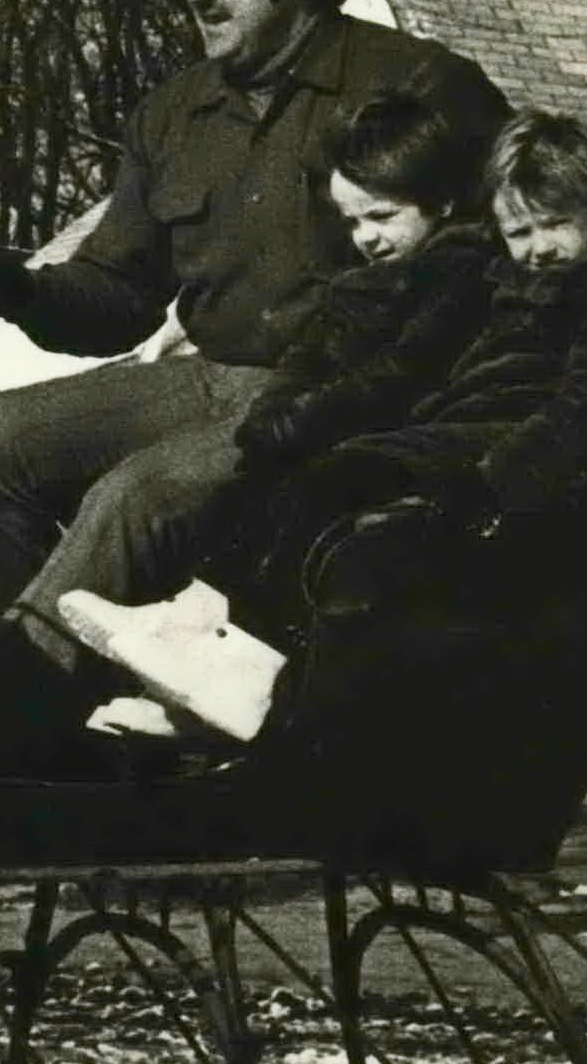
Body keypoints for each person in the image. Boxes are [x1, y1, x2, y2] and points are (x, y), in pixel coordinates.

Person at [0, 0, 511, 771]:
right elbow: (114, 300)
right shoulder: (173, 113)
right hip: (209, 376)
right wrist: (19, 289)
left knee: (145, 492)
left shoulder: (415, 81)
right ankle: (41, 717)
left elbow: (531, 216)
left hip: (344, 396)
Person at [60, 110, 587, 739]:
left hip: (502, 450)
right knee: (288, 480)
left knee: (342, 477)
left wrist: (491, 486)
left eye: (554, 225)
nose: (536, 249)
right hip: (460, 428)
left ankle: (250, 673)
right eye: (519, 232)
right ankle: (194, 650)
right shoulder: (523, 264)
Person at [57, 92, 499, 739]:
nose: (367, 237)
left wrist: (303, 419)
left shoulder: (457, 270)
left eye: (382, 216)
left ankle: (232, 668)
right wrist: (275, 411)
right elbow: (309, 356)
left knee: (295, 494)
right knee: (248, 482)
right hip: (350, 433)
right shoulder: (371, 278)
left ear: (443, 203)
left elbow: (403, 371)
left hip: (409, 444)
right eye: (353, 222)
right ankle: (196, 655)